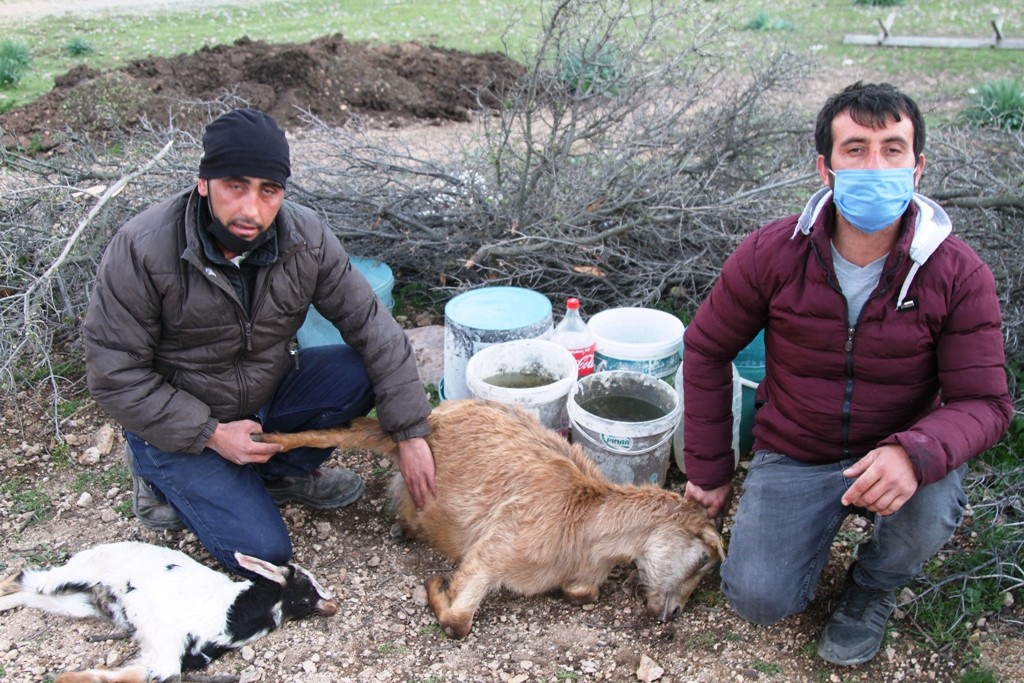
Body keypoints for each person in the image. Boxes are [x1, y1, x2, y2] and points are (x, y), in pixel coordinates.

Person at [681, 82, 1012, 666]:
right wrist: (710, 470)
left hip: (902, 448)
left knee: (931, 506)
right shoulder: (773, 253)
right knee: (757, 598)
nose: (875, 164)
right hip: (796, 448)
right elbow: (706, 348)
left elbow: (985, 402)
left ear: (918, 167)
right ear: (826, 169)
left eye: (892, 149)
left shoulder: (957, 273)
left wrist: (913, 453)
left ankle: (874, 585)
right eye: (855, 149)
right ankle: (806, 529)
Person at [83, 108, 436, 577]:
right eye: (236, 186)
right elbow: (115, 377)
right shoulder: (142, 250)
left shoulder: (304, 238)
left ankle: (276, 475)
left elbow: (375, 329)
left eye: (268, 191)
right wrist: (211, 434)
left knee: (358, 368)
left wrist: (411, 433)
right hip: (183, 425)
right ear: (204, 182)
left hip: (266, 395)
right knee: (264, 554)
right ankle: (156, 475)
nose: (252, 209)